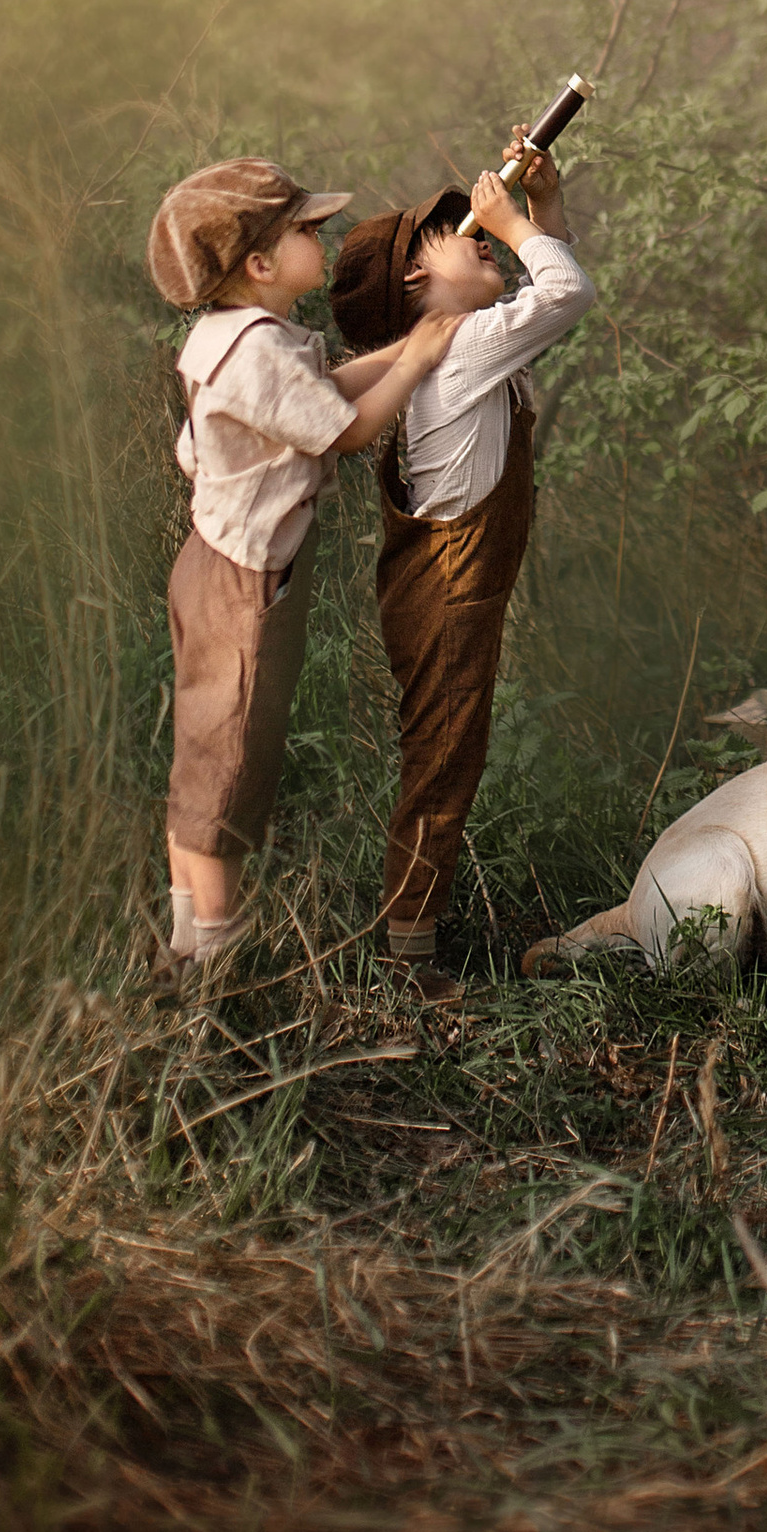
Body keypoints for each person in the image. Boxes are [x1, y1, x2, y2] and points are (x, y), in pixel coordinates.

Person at [146, 158, 462, 983]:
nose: (318, 238)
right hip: (241, 586)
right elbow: (348, 430)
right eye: (304, 230)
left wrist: (414, 348)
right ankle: (210, 964)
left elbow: (321, 390)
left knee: (209, 753)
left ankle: (188, 940)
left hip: (221, 568)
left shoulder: (245, 338)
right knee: (226, 763)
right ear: (258, 265)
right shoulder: (251, 354)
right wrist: (416, 360)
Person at [328, 128, 597, 1000]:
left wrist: (541, 212)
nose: (481, 237)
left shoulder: (462, 346)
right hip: (448, 592)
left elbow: (548, 285)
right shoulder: (464, 350)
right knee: (443, 758)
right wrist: (521, 226)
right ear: (416, 279)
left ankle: (412, 933)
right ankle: (408, 961)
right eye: (460, 235)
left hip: (445, 591)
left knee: (448, 752)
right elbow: (565, 289)